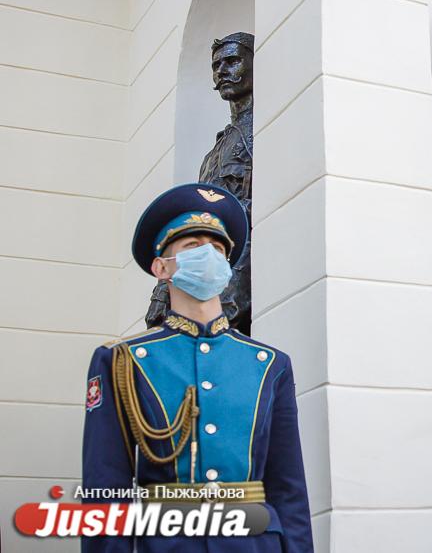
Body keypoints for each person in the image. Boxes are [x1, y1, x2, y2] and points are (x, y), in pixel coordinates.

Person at [82, 182, 312, 552]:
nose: (209, 256)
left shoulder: (269, 365)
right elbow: (105, 486)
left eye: (218, 249)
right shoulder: (123, 361)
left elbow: (289, 490)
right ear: (162, 267)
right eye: (192, 247)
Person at [146, 33, 254, 333]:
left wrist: (229, 293)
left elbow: (251, 216)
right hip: (203, 284)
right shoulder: (215, 151)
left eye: (233, 61)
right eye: (216, 65)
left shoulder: (264, 127)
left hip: (234, 285)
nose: (222, 71)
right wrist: (163, 292)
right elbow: (195, 224)